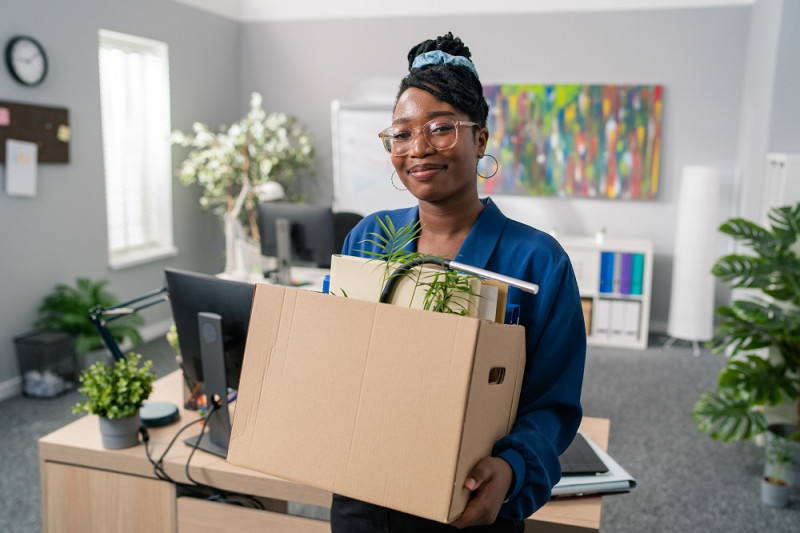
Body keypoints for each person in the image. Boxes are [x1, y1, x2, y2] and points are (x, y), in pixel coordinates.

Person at [333, 32, 586, 532]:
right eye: (401, 134)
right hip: (364, 494)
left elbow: (553, 406)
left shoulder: (538, 261)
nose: (418, 149)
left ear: (481, 139)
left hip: (467, 500)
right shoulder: (367, 238)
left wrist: (512, 468)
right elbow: (341, 361)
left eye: (441, 128)